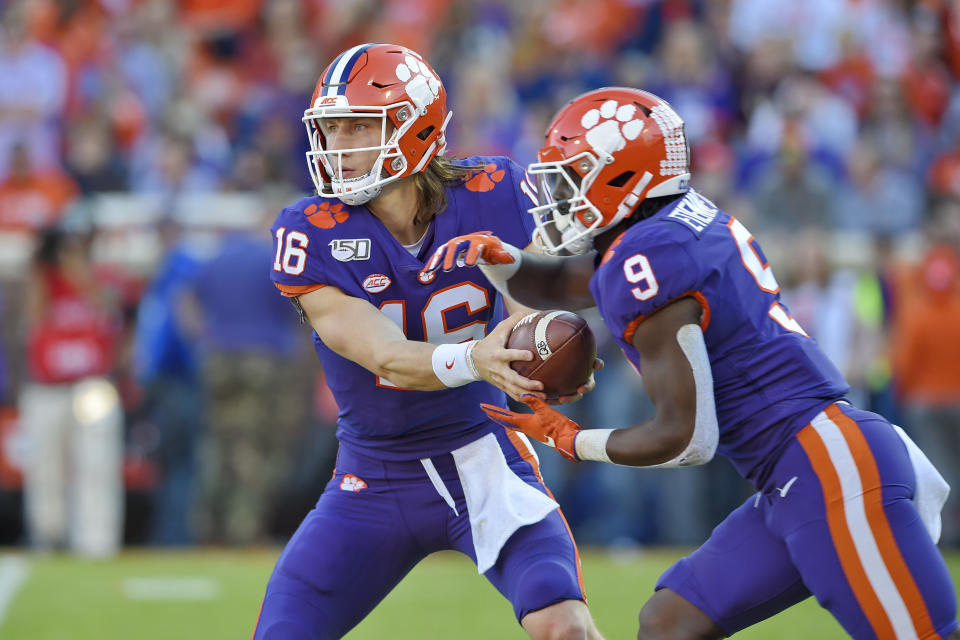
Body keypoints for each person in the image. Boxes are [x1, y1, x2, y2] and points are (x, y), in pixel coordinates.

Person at [423, 87, 960, 639]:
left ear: (621, 175)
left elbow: (686, 437)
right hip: (795, 473)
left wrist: (571, 438)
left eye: (577, 173)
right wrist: (495, 256)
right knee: (669, 624)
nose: (563, 192)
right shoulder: (665, 229)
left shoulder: (649, 256)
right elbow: (563, 281)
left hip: (827, 465)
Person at [252, 43, 602, 640]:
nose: (338, 145)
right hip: (372, 479)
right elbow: (386, 355)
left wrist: (547, 351)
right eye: (330, 128)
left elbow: (542, 300)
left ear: (415, 129)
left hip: (485, 460)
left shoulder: (494, 190)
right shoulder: (309, 229)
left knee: (564, 626)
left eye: (359, 125)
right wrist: (478, 357)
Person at [20, 227, 124, 558]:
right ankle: (47, 536)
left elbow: (107, 304)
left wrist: (78, 270)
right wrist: (42, 267)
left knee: (96, 465)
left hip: (90, 385)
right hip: (47, 386)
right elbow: (33, 316)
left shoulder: (100, 277)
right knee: (45, 468)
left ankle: (97, 542)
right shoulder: (42, 282)